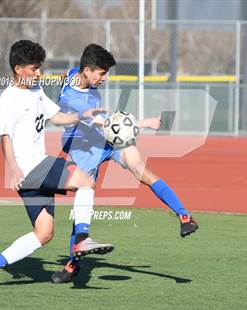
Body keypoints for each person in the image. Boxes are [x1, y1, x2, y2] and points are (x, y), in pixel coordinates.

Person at [51, 44, 199, 284]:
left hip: (105, 142)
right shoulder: (76, 101)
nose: (104, 77)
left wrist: (60, 79)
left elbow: (65, 75)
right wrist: (146, 123)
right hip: (82, 149)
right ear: (87, 71)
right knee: (83, 208)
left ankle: (185, 216)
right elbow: (111, 126)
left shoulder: (73, 75)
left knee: (141, 169)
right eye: (101, 73)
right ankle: (72, 265)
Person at [0, 40, 113, 289]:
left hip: (32, 172)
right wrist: (14, 168)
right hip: (30, 167)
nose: (38, 73)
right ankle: (82, 237)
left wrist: (82, 116)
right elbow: (4, 137)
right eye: (33, 69)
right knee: (85, 181)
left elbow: (57, 117)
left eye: (39, 68)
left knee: (44, 233)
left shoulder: (36, 89)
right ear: (18, 69)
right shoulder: (8, 99)